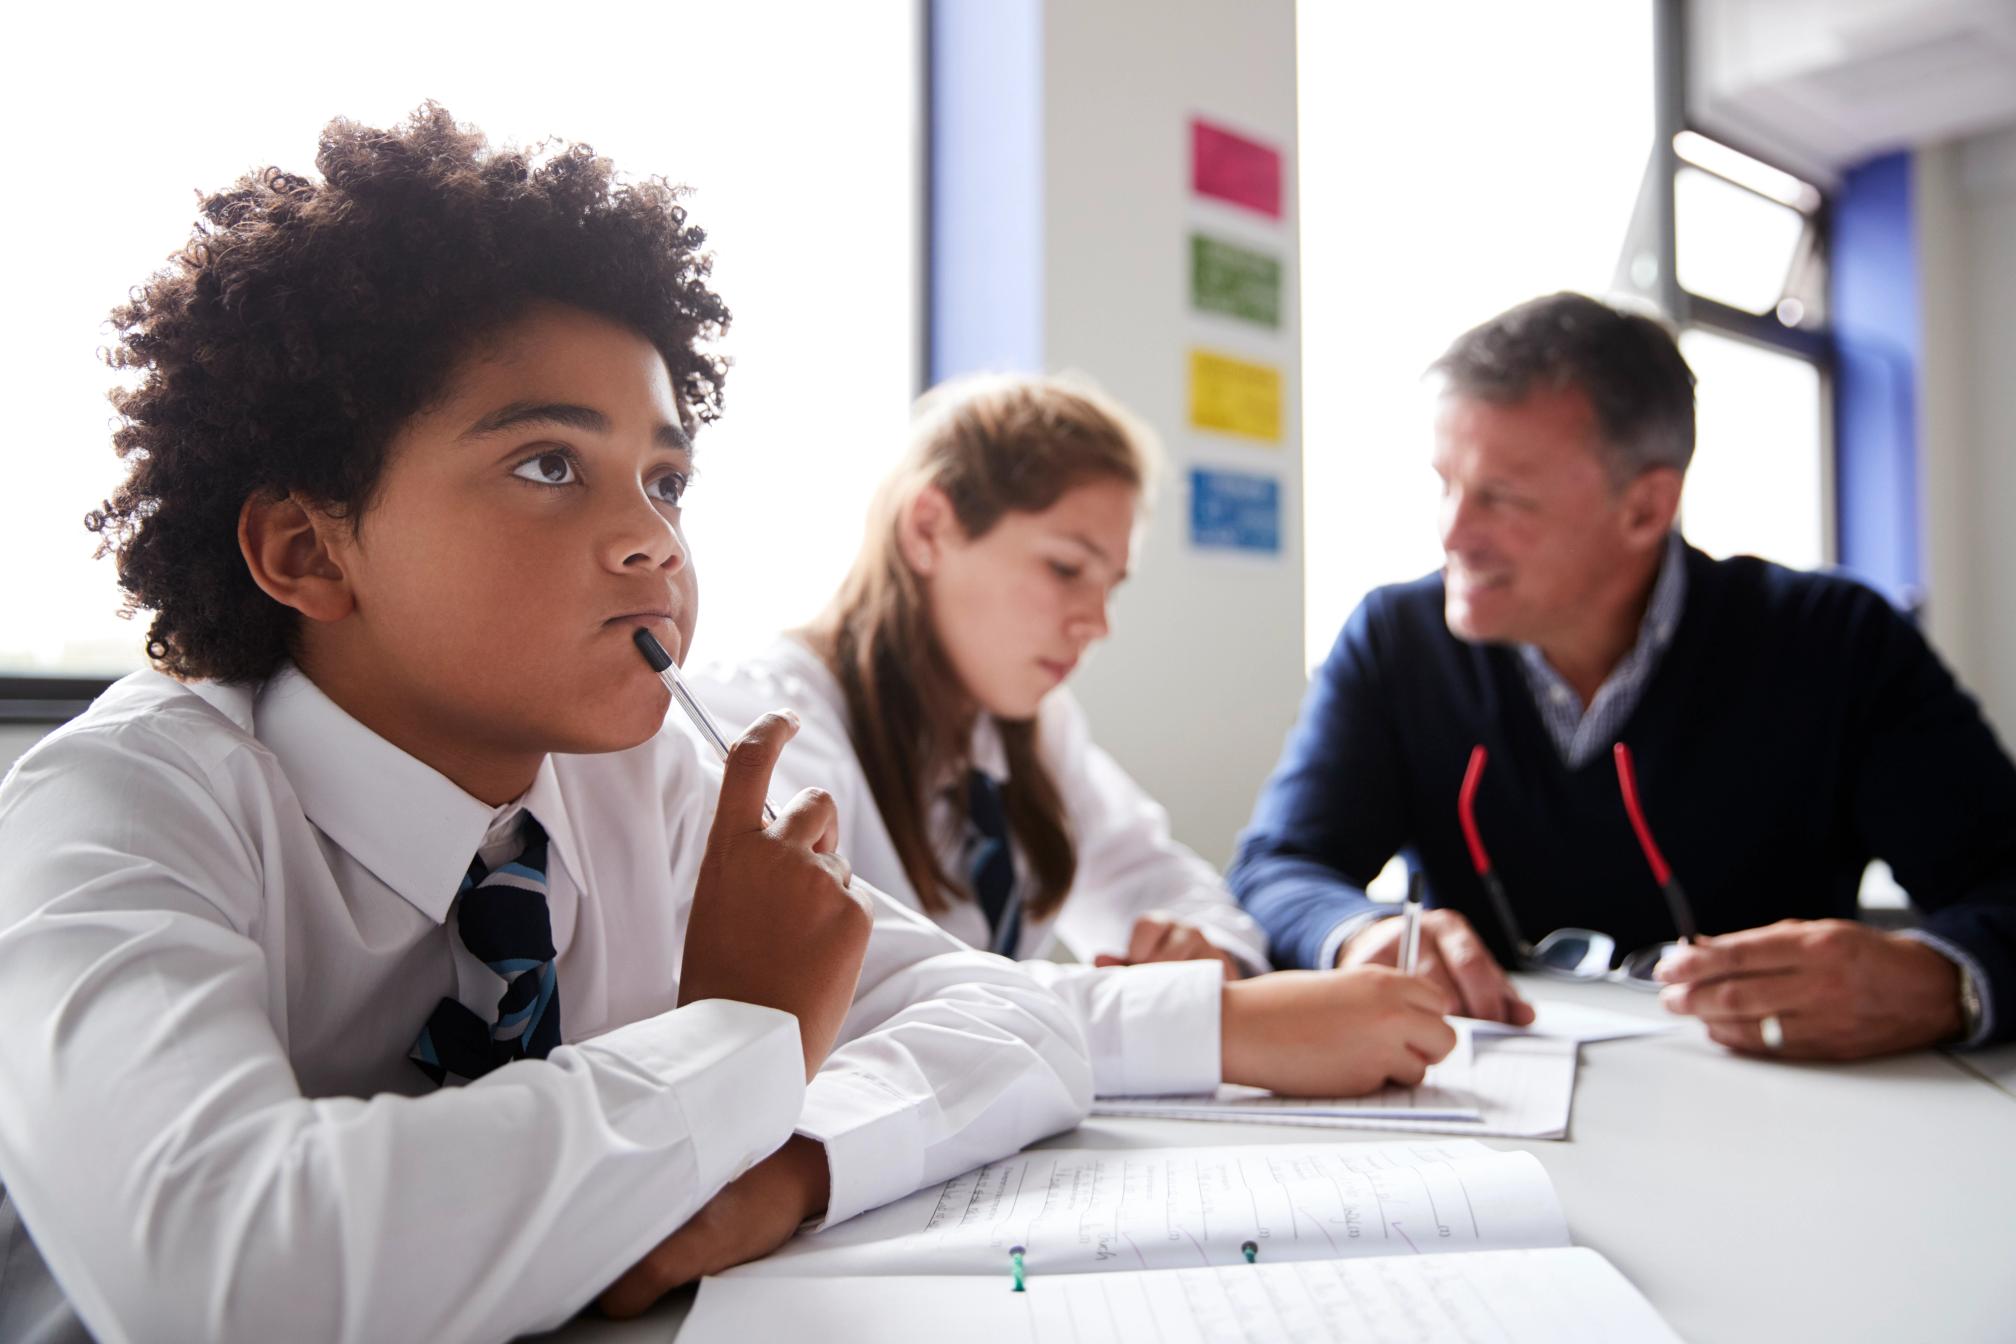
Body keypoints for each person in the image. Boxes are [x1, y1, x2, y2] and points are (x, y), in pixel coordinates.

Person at [0, 106, 1092, 1344]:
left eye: (666, 481)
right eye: (548, 467)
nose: (655, 542)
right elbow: (226, 1274)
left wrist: (784, 1172)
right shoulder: (116, 810)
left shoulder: (648, 785)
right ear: (308, 549)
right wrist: (744, 1040)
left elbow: (1019, 1020)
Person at [1229, 291, 2013, 1059]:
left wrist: (1940, 983)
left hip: (1778, 1118)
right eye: (1444, 483)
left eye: (1502, 497)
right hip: (1481, 1114)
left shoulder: (1836, 641)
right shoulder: (1396, 638)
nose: (1453, 532)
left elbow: (2003, 881)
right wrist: (1358, 933)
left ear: (1645, 508)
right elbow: (1278, 867)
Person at [691, 374, 1457, 1102]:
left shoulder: (1031, 728)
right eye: (1066, 568)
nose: (1097, 624)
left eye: (1109, 584)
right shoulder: (768, 722)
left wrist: (1200, 952)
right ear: (928, 529)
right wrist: (1214, 1025)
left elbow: (1175, 885)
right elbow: (861, 992)